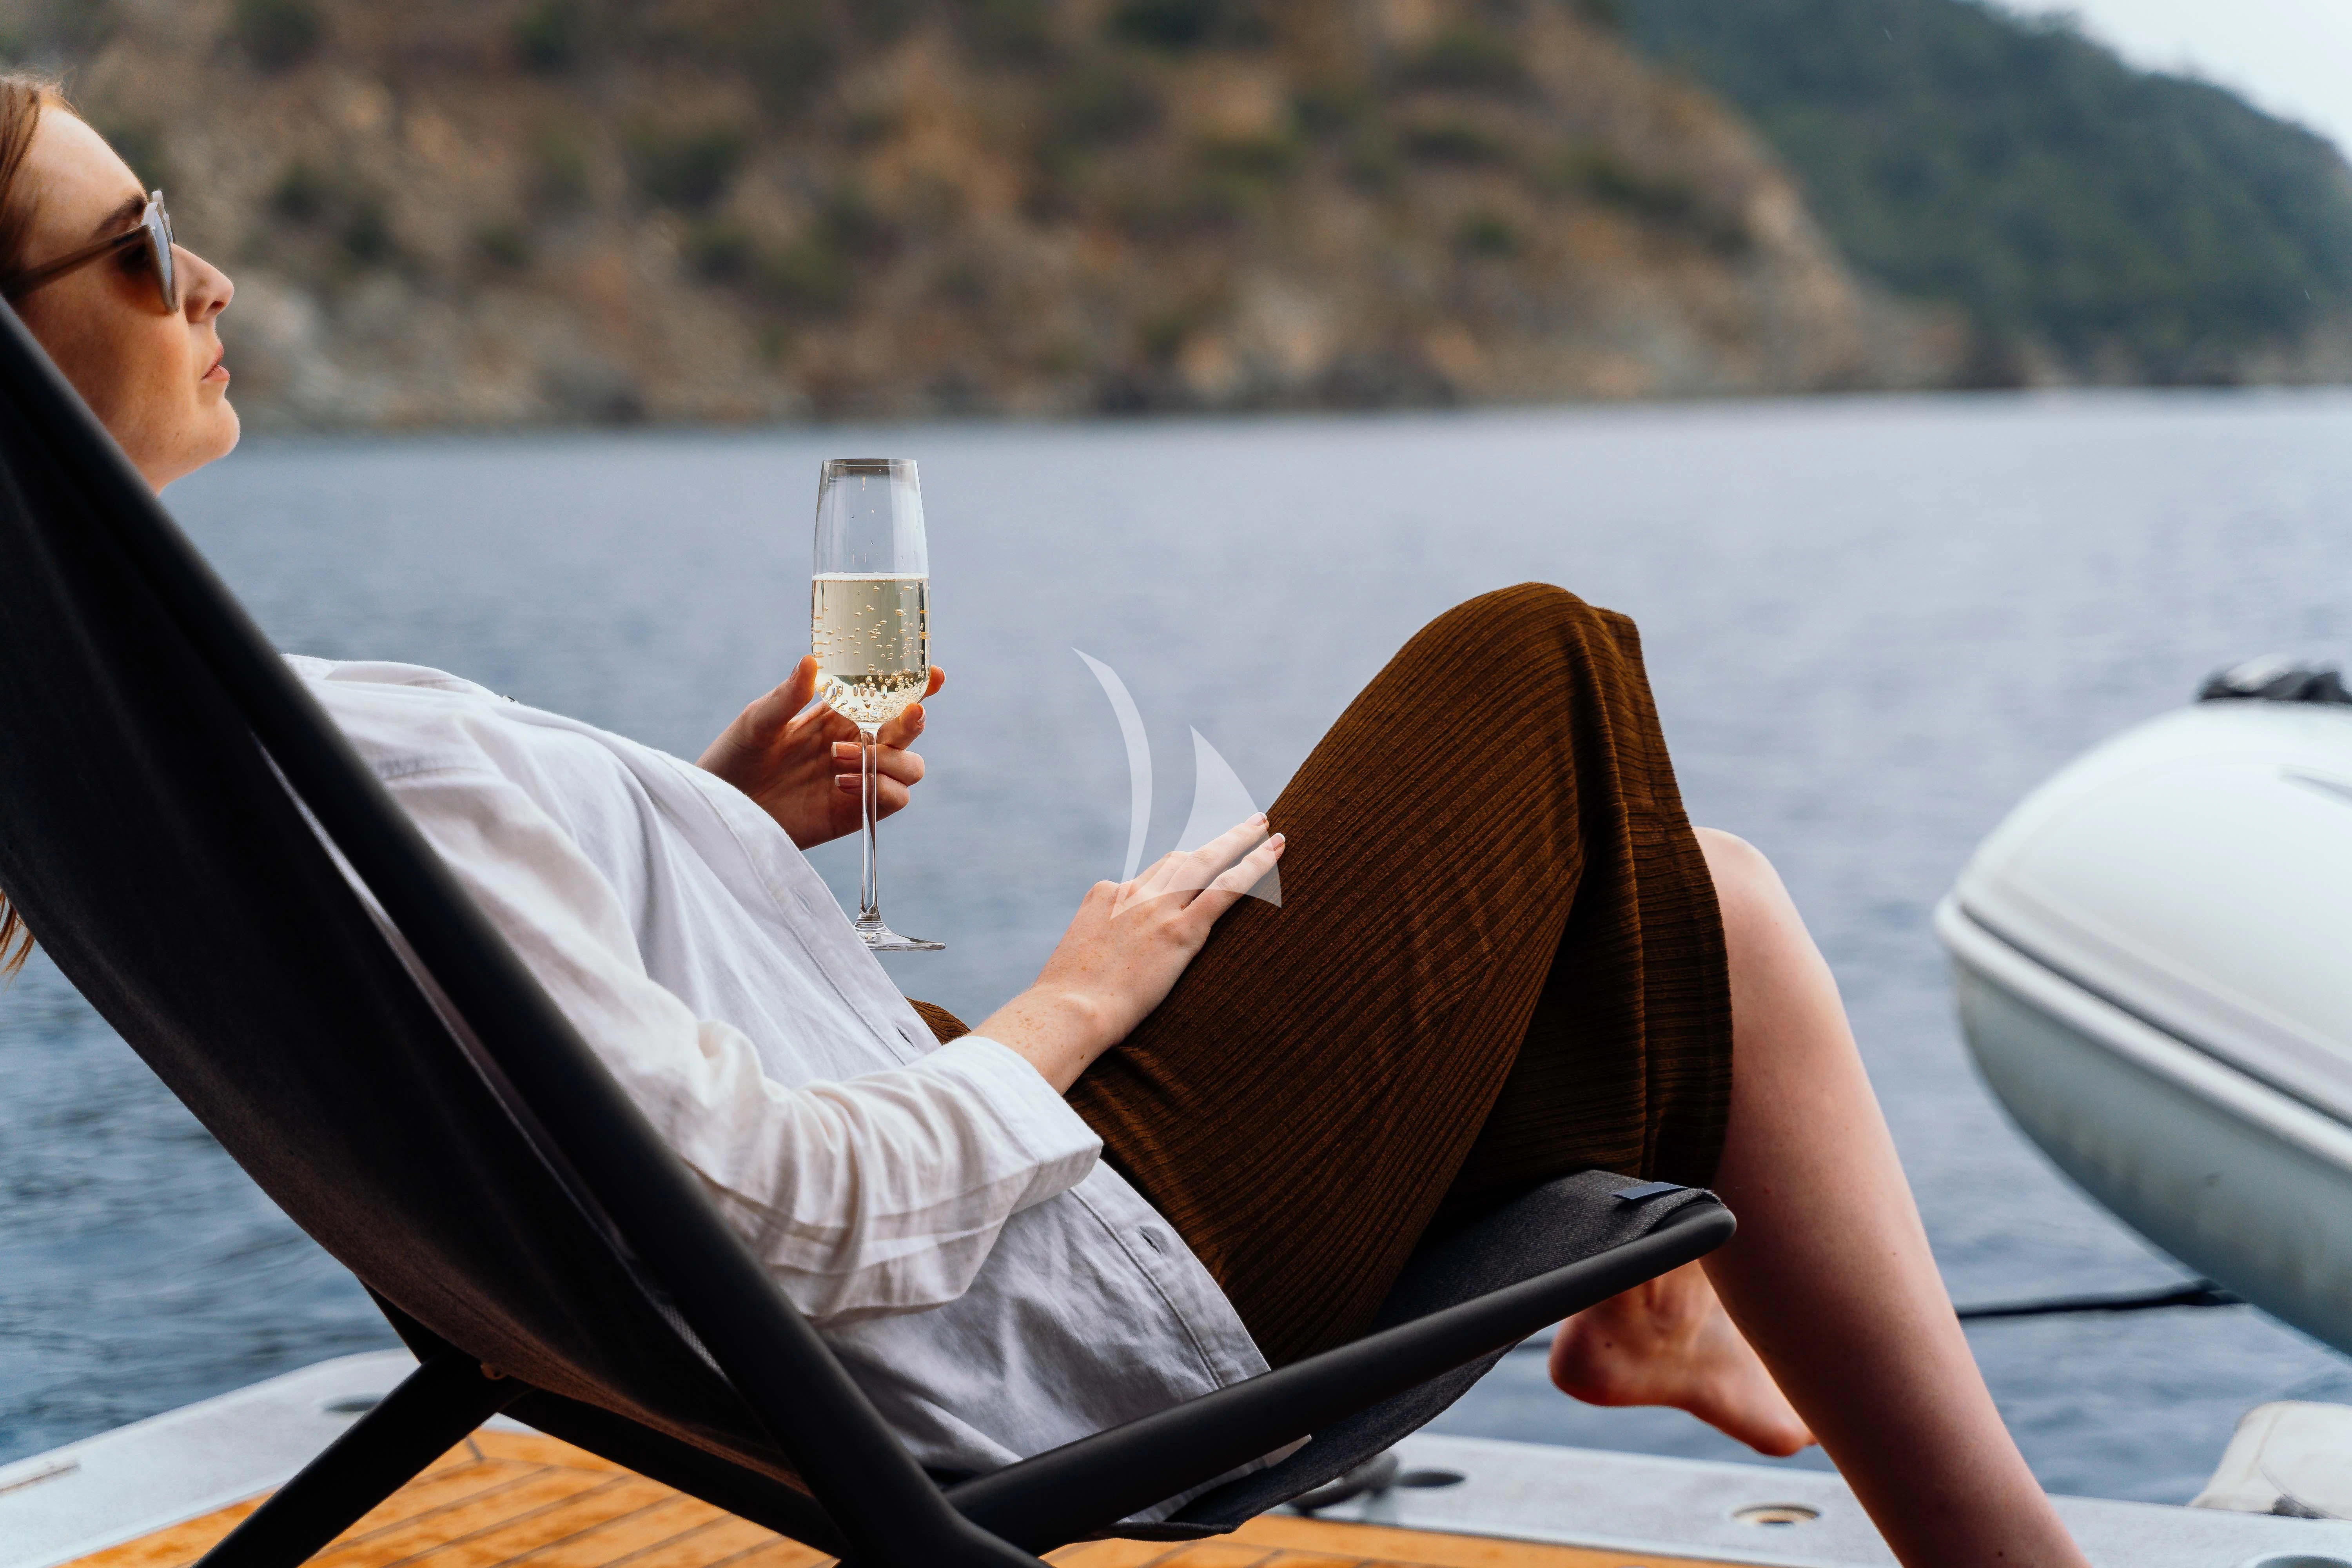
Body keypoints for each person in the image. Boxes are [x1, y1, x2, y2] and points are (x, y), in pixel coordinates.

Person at [0, 76, 2090, 1567]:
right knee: (1529, 659)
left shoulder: (133, 757)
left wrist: (719, 829)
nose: (218, 279)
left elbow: (561, 1079)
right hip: (1046, 1325)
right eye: (147, 240)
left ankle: (1733, 1368)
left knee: (1705, 895)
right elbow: (791, 1218)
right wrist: (1081, 999)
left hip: (915, 1288)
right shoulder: (312, 753)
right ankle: (1838, 1438)